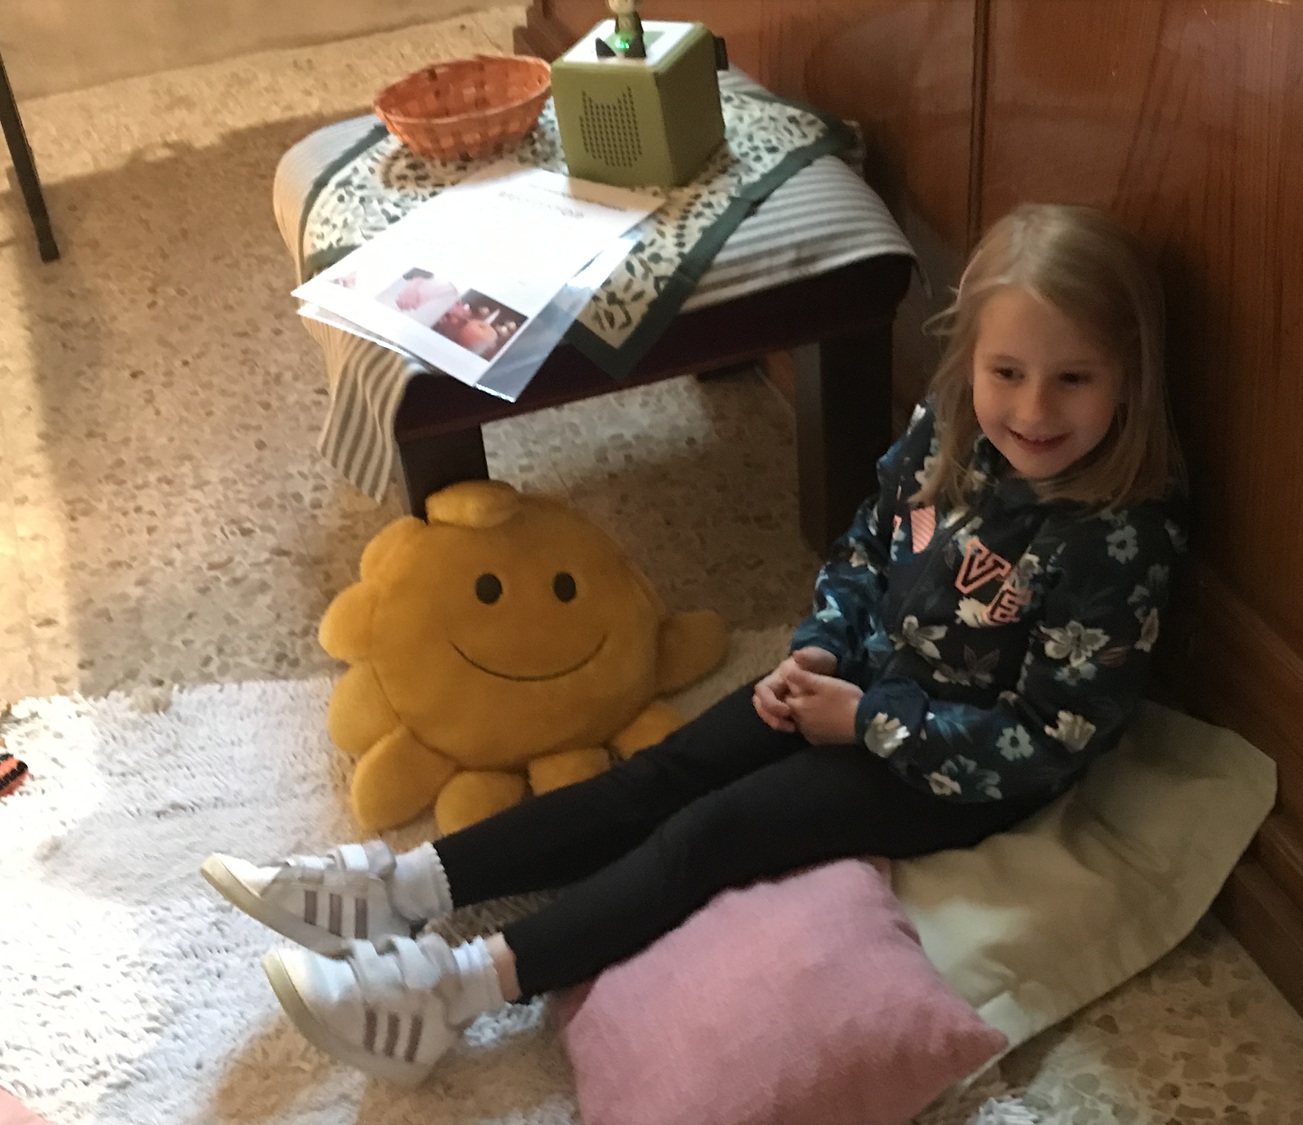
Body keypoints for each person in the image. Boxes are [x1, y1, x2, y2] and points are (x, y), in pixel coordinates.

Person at [201, 202, 1188, 1088]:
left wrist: (869, 722)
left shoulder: (1119, 540)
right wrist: (820, 648)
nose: (1034, 409)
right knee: (662, 771)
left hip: (948, 766)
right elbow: (866, 546)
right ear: (970, 358)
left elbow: (1044, 738)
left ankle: (452, 991)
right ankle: (407, 887)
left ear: (1129, 377)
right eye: (1008, 372)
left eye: (1073, 379)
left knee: (713, 832)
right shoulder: (950, 429)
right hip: (857, 679)